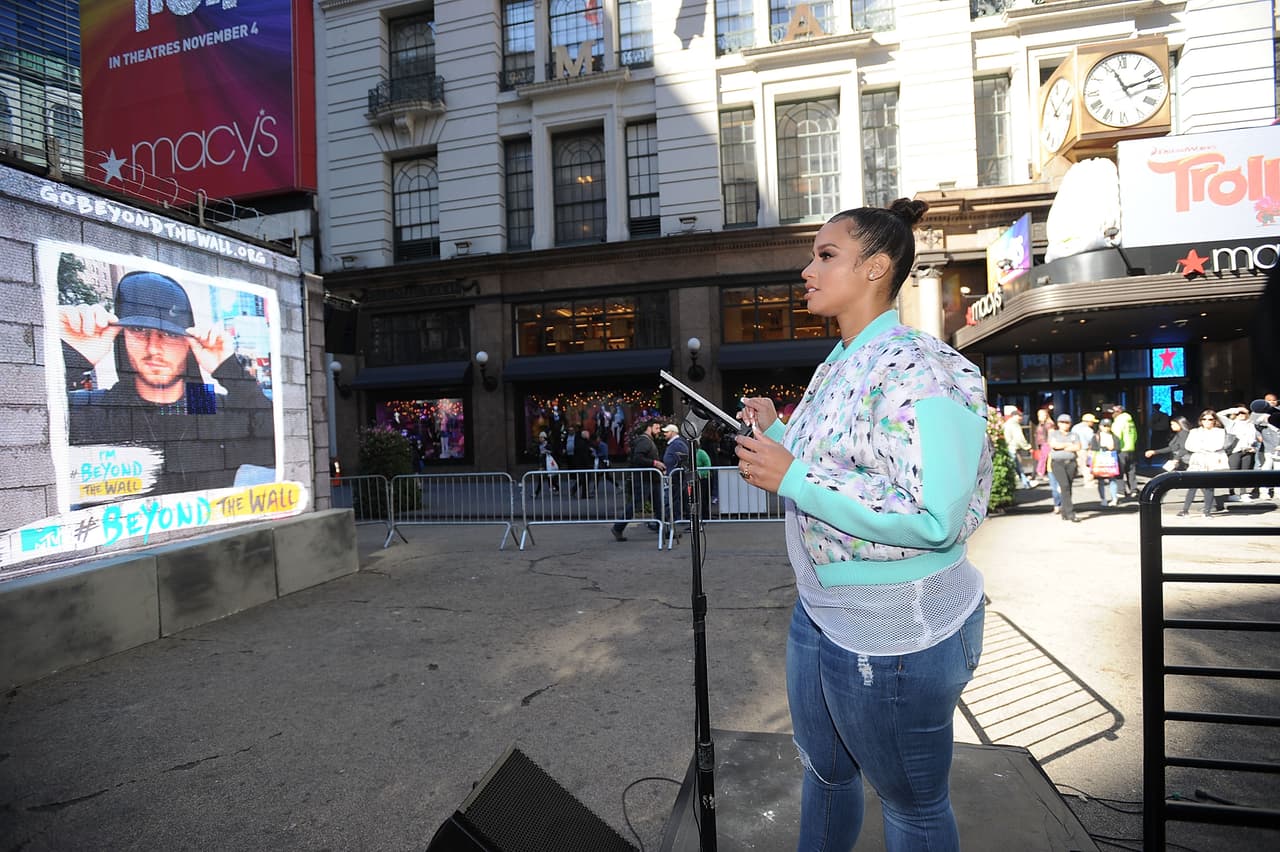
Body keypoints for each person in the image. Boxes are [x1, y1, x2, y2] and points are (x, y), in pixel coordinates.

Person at [733, 199, 991, 851]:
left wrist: (790, 475)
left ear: (876, 268)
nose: (806, 270)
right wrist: (781, 432)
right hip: (820, 611)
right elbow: (844, 464)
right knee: (826, 774)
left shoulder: (923, 367)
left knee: (911, 807)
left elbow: (936, 516)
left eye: (825, 256)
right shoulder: (837, 363)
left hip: (895, 630)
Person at [59, 270, 275, 499]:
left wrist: (230, 370)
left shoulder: (215, 410)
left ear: (189, 343)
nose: (154, 348)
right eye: (139, 330)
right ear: (121, 336)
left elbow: (280, 443)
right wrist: (69, 358)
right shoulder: (89, 410)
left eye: (170, 335)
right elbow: (25, 437)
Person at [611, 419, 665, 541]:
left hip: (650, 479)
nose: (658, 431)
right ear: (649, 428)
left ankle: (663, 529)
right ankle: (618, 527)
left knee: (658, 505)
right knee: (636, 504)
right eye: (656, 428)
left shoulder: (647, 441)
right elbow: (638, 458)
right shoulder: (644, 441)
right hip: (644, 479)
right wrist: (655, 463)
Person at [1179, 409, 1231, 517]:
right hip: (1198, 460)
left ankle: (1207, 511)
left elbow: (1218, 445)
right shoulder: (1194, 431)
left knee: (1209, 486)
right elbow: (1189, 445)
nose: (1207, 421)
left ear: (1214, 420)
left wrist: (1202, 447)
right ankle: (1185, 510)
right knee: (1192, 485)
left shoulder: (1219, 432)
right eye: (1204, 419)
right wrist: (1203, 448)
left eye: (1210, 419)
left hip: (1212, 460)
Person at [1218, 404, 1259, 501]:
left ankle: (1243, 493)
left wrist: (1254, 447)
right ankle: (1232, 493)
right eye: (1240, 413)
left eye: (1244, 413)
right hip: (1235, 451)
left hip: (1248, 451)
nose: (1242, 414)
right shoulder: (1231, 423)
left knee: (1244, 473)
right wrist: (1234, 409)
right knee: (1233, 473)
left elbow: (1255, 438)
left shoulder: (1251, 424)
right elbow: (1218, 415)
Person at [1048, 412, 1083, 522]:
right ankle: (1070, 513)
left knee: (1068, 487)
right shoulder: (1054, 434)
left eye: (1067, 422)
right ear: (1058, 423)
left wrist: (1062, 446)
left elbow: (1077, 447)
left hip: (1071, 463)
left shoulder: (1074, 435)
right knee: (1064, 485)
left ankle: (1064, 511)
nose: (1064, 424)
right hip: (1057, 463)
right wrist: (1068, 445)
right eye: (1062, 422)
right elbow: (1054, 445)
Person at [661, 422, 691, 524]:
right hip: (675, 476)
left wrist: (677, 470)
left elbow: (684, 458)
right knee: (676, 499)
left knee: (679, 499)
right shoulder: (675, 443)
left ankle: (681, 520)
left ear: (673, 432)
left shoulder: (677, 443)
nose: (664, 434)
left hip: (677, 476)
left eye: (667, 432)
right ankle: (677, 519)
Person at [1089, 418, 1123, 507]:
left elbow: (1118, 448)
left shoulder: (1114, 436)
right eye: (1104, 426)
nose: (1106, 428)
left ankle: (1114, 499)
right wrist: (1104, 448)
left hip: (1111, 462)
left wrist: (1112, 448)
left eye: (1108, 426)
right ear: (1100, 426)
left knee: (1113, 480)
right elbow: (1093, 448)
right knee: (1101, 481)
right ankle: (1103, 499)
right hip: (1100, 462)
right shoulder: (1096, 437)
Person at [1111, 403, 1139, 498]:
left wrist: (1114, 448)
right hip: (1131, 448)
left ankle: (1121, 491)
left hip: (1121, 449)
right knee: (1131, 471)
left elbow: (1116, 436)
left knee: (1119, 471)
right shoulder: (1130, 421)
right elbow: (1135, 435)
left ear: (1117, 412)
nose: (1112, 414)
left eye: (1113, 412)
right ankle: (1134, 490)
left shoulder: (1118, 421)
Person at [1001, 406, 1032, 488]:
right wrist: (1027, 446)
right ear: (1014, 416)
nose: (1021, 418)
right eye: (1019, 416)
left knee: (1014, 467)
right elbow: (1019, 437)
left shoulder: (1006, 424)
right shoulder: (1014, 424)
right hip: (1012, 448)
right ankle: (1025, 483)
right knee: (1017, 467)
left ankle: (1025, 483)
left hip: (1007, 447)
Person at [1033, 407, 1054, 483]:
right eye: (1039, 415)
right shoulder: (1041, 424)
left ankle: (1041, 472)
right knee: (1042, 458)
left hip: (1046, 443)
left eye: (1042, 415)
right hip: (1041, 443)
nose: (1040, 417)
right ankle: (1041, 472)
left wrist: (1050, 443)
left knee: (1044, 458)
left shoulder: (1049, 424)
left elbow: (1051, 434)